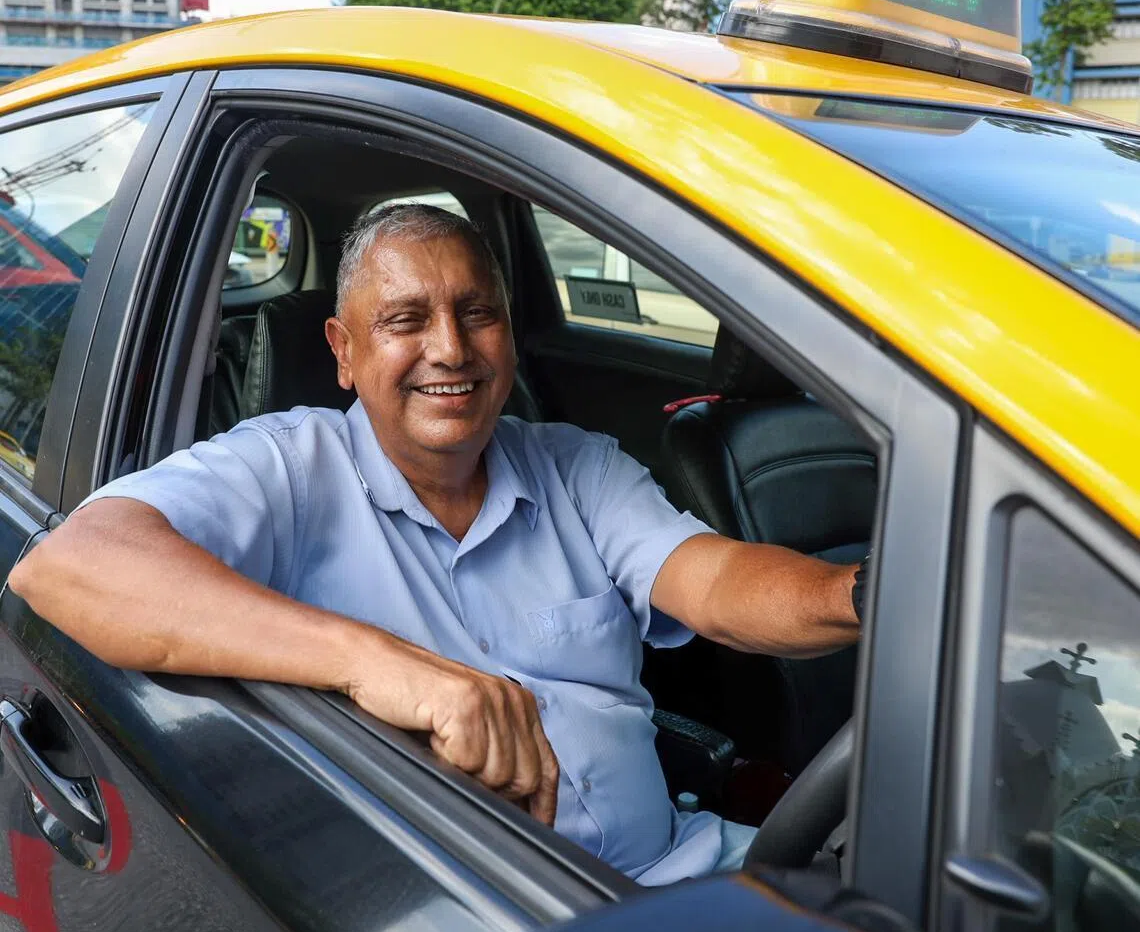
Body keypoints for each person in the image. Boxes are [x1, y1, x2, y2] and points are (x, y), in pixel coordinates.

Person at [10, 203, 862, 886]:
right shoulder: (288, 464)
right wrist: (378, 662)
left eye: (477, 313)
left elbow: (713, 582)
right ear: (343, 353)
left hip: (689, 866)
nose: (450, 349)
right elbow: (68, 566)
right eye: (406, 320)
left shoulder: (575, 464)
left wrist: (862, 594)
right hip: (477, 916)